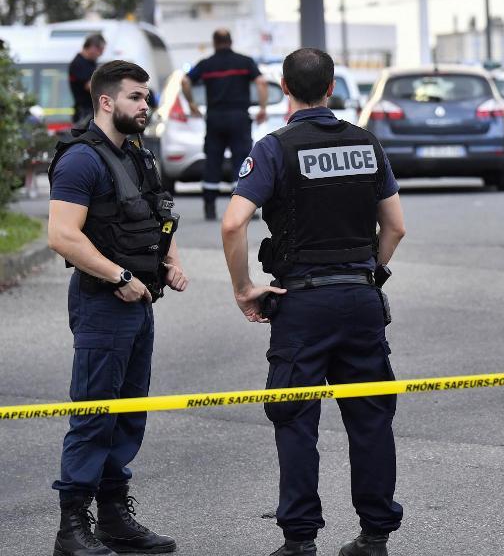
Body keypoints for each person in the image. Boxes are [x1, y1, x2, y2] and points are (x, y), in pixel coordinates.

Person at [220, 48, 406, 556]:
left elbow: (234, 222)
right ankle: (374, 536)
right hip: (360, 298)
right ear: (331, 88)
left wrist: (244, 289)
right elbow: (396, 226)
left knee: (296, 420)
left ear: (284, 87)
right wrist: (374, 274)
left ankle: (300, 540)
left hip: (302, 304)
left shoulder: (275, 149)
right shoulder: (367, 144)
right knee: (370, 418)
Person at [46, 60, 188, 556]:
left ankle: (113, 517)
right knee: (95, 414)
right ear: (106, 101)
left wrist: (169, 260)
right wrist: (119, 276)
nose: (145, 106)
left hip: (138, 301)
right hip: (103, 302)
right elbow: (61, 235)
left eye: (147, 97)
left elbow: (154, 215)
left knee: (128, 414)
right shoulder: (81, 160)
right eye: (136, 97)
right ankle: (72, 529)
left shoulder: (136, 154)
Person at [182, 29, 268, 221]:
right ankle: (243, 209)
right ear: (231, 41)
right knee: (242, 162)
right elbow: (261, 82)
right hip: (238, 118)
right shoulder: (244, 62)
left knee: (213, 162)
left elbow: (185, 81)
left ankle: (210, 209)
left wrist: (192, 103)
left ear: (214, 42)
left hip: (214, 118)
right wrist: (263, 108)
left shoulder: (207, 64)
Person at [68, 33, 105, 126]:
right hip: (84, 113)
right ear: (92, 47)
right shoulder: (78, 63)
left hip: (93, 111)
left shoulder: (91, 63)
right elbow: (89, 86)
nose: (101, 54)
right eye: (100, 50)